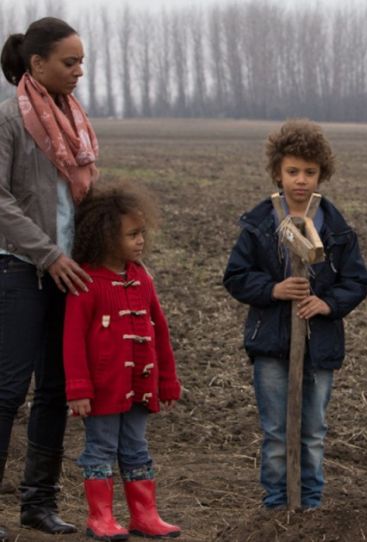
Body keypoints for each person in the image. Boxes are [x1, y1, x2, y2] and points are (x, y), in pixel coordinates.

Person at [223, 120, 367, 509]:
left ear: (322, 174)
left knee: (313, 432)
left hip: (319, 346)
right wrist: (273, 289)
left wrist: (327, 303)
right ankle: (276, 505)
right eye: (292, 171)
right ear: (278, 172)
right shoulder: (259, 224)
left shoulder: (336, 227)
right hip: (271, 344)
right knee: (276, 432)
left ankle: (310, 504)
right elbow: (235, 276)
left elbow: (358, 281)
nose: (301, 180)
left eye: (309, 172)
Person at [0, 17, 98, 535]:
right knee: (7, 391)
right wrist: (46, 254)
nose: (79, 71)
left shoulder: (74, 120)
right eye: (69, 62)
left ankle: (38, 504)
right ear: (37, 64)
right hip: (19, 271)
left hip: (68, 275)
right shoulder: (8, 121)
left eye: (81, 61)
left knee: (56, 390)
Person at [63, 184, 182, 540]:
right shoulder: (86, 283)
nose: (141, 240)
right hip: (102, 390)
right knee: (100, 449)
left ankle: (144, 516)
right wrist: (78, 389)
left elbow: (160, 331)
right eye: (132, 234)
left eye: (142, 232)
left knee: (137, 448)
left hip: (140, 387)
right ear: (105, 237)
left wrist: (167, 382)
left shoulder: (142, 278)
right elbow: (72, 341)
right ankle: (100, 518)